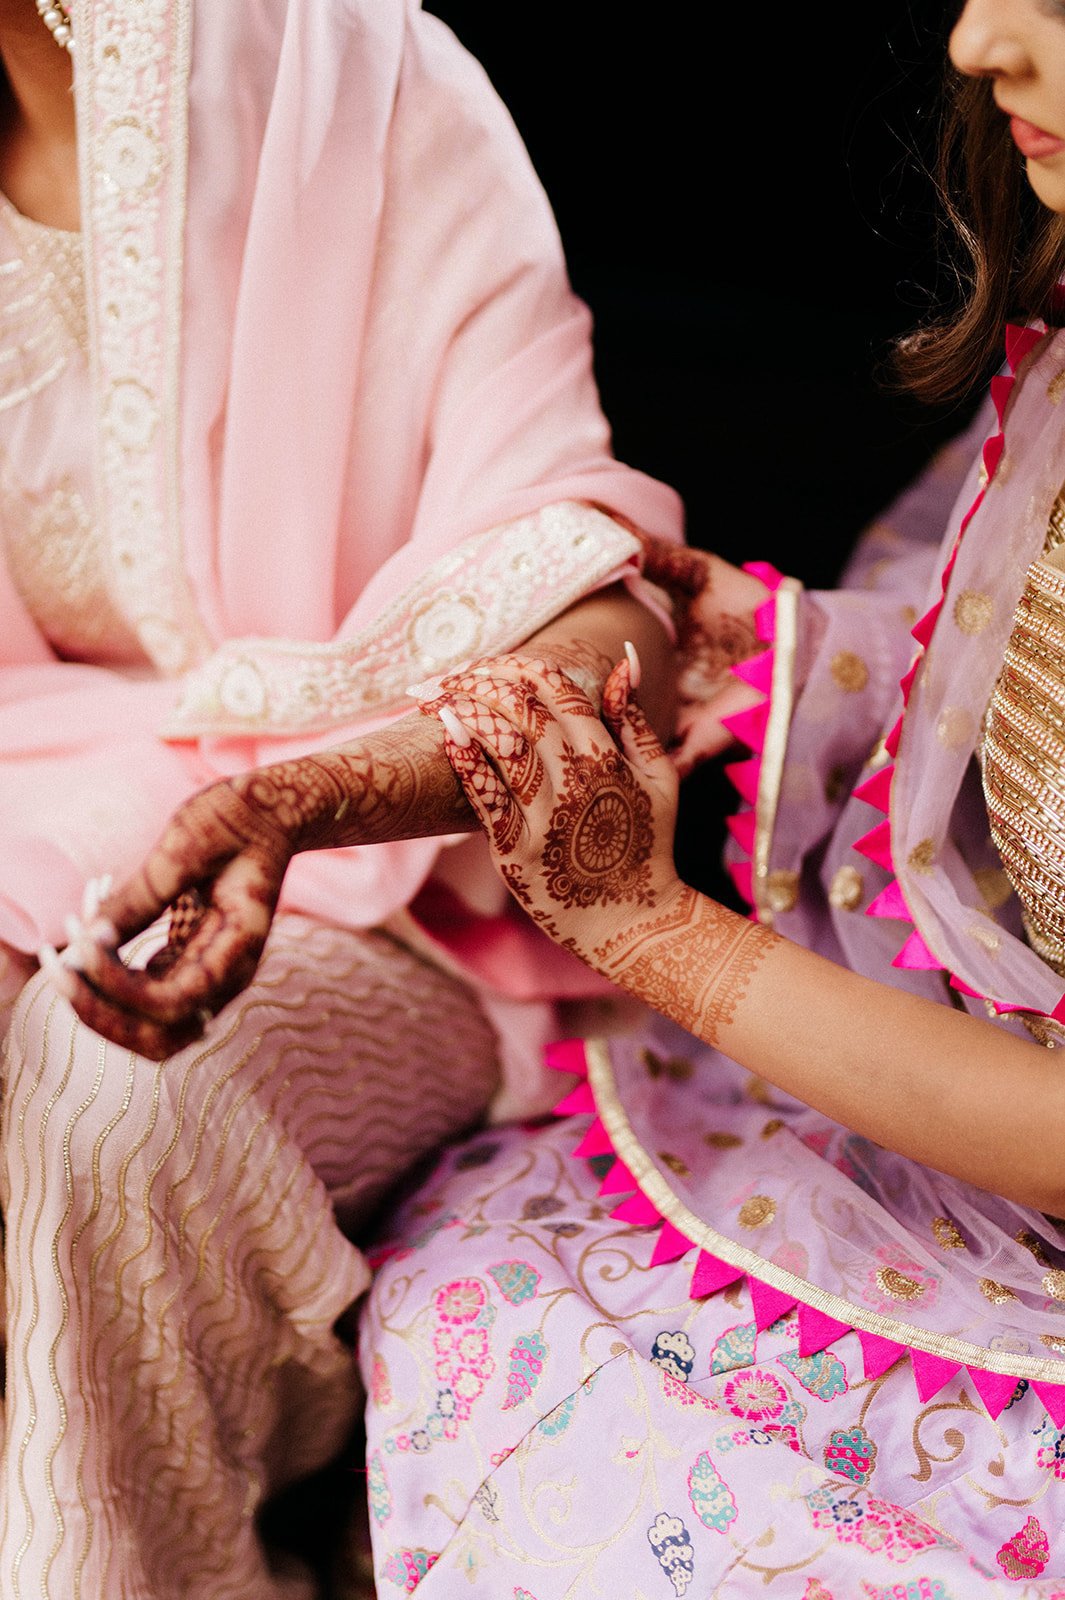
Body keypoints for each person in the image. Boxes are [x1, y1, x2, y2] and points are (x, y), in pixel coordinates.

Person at [333, 0, 1065, 1592]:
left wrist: (652, 932)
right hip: (956, 1139)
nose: (972, 44)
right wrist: (795, 643)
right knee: (481, 1298)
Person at [0, 1, 707, 1594]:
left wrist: (292, 803)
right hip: (36, 832)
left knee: (110, 1090)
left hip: (409, 900)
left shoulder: (356, 72)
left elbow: (601, 623)